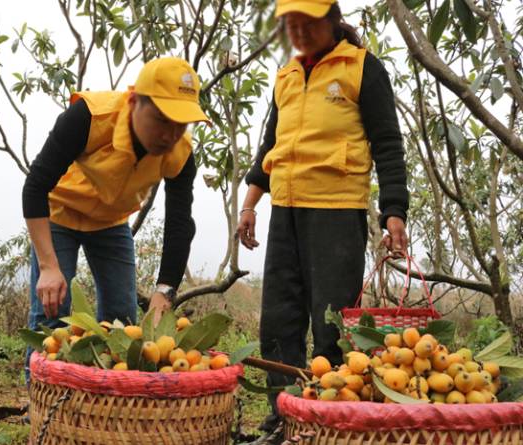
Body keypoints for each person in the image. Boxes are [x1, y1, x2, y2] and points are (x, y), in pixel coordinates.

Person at [237, 0, 409, 439]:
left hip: (336, 212)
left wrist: (394, 212)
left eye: (307, 22)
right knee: (279, 317)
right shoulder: (288, 75)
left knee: (331, 320)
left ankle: (328, 415)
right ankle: (284, 413)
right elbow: (269, 149)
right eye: (290, 24)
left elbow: (388, 143)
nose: (298, 31)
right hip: (286, 212)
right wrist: (250, 204)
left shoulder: (361, 68)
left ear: (331, 19)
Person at [22, 57, 209, 384]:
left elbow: (180, 221)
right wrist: (49, 266)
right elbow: (36, 185)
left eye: (181, 124)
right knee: (53, 317)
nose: (170, 134)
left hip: (110, 224)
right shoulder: (91, 117)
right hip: (60, 213)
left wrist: (164, 290)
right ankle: (41, 408)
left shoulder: (180, 152)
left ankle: (107, 409)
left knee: (123, 324)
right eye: (162, 120)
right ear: (135, 101)